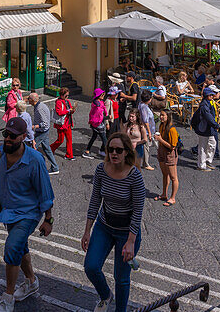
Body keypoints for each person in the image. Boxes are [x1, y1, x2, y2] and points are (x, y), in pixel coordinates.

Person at [0, 117, 55, 312]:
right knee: (21, 248)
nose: (7, 139)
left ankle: (8, 297)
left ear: (23, 137)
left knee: (12, 247)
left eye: (13, 136)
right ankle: (31, 282)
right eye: (6, 134)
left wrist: (48, 219)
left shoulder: (35, 160)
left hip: (29, 213)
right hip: (8, 211)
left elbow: (45, 193)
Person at [82, 131, 146, 312]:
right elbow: (95, 201)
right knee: (91, 266)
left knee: (122, 278)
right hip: (104, 226)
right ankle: (105, 295)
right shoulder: (101, 170)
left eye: (119, 150)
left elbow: (138, 211)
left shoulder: (135, 176)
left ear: (126, 152)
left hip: (126, 231)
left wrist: (131, 241)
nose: (114, 153)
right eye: (111, 149)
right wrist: (87, 230)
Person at [28, 92, 60, 175]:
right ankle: (55, 167)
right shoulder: (40, 105)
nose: (28, 100)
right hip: (44, 131)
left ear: (32, 100)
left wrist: (34, 127)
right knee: (47, 149)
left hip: (42, 132)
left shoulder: (39, 108)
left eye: (29, 99)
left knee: (32, 148)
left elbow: (45, 123)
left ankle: (31, 168)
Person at [191, 85, 220, 171]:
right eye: (210, 95)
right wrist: (216, 125)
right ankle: (201, 165)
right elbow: (209, 117)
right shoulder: (204, 105)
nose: (212, 96)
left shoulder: (208, 102)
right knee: (202, 147)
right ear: (207, 96)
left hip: (209, 128)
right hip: (204, 128)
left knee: (212, 143)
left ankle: (208, 160)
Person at [155, 108, 179, 205]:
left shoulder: (172, 129)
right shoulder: (161, 125)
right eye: (160, 115)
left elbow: (172, 147)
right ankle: (164, 194)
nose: (161, 117)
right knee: (165, 174)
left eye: (163, 115)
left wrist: (160, 140)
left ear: (168, 117)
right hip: (161, 151)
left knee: (173, 177)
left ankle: (172, 198)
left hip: (169, 154)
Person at [83, 88, 111, 158]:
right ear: (99, 95)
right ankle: (109, 155)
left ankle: (87, 151)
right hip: (98, 125)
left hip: (95, 124)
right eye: (102, 94)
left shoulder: (99, 102)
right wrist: (108, 117)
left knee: (94, 137)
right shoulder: (97, 105)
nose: (103, 95)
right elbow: (99, 118)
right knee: (105, 140)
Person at [50, 87, 76, 161]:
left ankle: (69, 155)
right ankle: (51, 148)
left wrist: (72, 110)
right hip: (61, 124)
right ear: (62, 95)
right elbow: (59, 112)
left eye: (68, 95)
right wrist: (68, 111)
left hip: (68, 123)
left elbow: (70, 110)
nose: (67, 97)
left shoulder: (67, 101)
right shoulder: (58, 102)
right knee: (60, 140)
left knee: (69, 139)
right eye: (66, 96)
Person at [135, 90, 156, 170]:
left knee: (144, 146)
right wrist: (149, 132)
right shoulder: (144, 107)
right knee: (146, 146)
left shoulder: (141, 104)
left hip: (145, 129)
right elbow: (145, 121)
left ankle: (142, 162)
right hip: (146, 130)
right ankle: (146, 163)